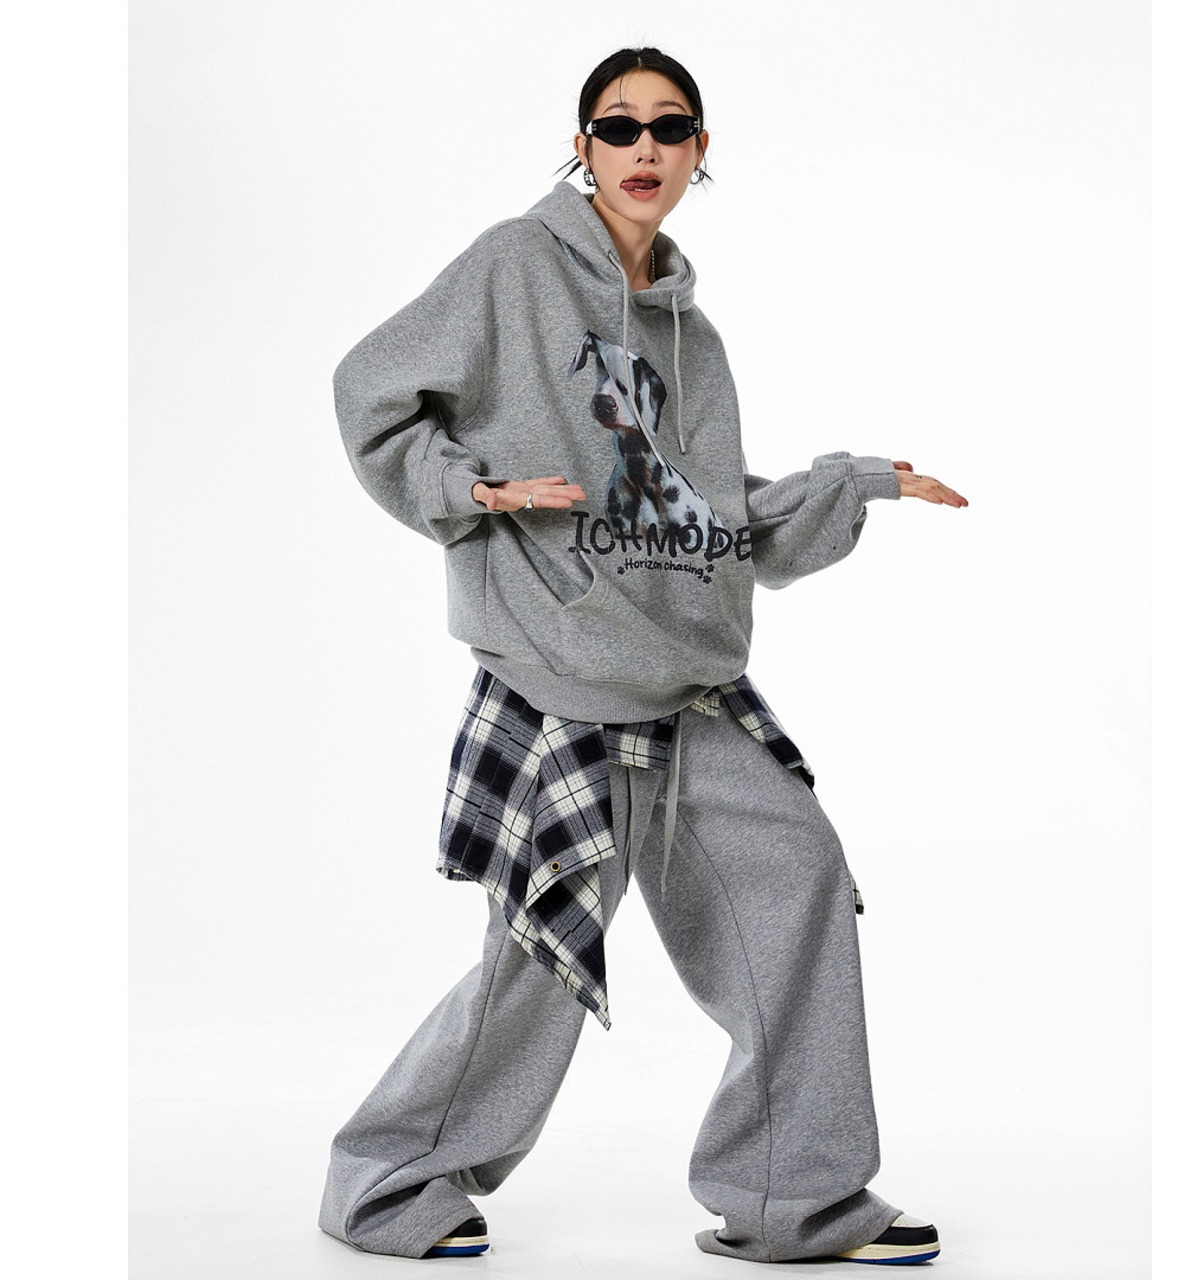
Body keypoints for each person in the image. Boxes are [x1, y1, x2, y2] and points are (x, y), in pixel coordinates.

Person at [318, 46, 966, 1266]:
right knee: (536, 963)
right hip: (560, 685)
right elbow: (370, 391)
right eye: (616, 127)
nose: (643, 149)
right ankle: (385, 1182)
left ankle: (794, 1198)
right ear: (582, 146)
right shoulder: (515, 265)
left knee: (797, 877)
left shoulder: (691, 337)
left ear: (698, 150)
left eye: (668, 128)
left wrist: (849, 483)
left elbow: (698, 516)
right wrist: (470, 489)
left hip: (686, 690)